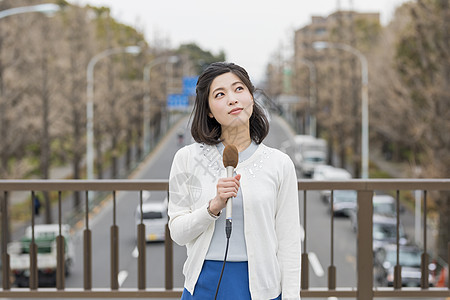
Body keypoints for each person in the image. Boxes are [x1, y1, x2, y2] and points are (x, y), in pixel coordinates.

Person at [168, 62, 301, 299]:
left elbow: (289, 241)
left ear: (251, 96)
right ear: (208, 109)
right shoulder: (186, 158)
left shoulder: (279, 163)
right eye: (220, 94)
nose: (232, 99)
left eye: (239, 89)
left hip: (262, 288)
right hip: (204, 285)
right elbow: (177, 232)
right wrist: (213, 207)